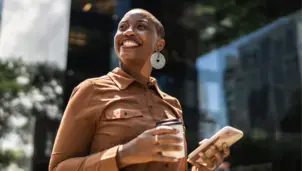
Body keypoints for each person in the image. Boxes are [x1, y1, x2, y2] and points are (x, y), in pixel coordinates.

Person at [49, 8, 230, 171]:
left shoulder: (172, 105)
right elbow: (58, 168)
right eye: (122, 27)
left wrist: (202, 168)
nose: (128, 32)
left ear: (159, 45)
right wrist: (124, 154)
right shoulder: (91, 90)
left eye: (140, 27)